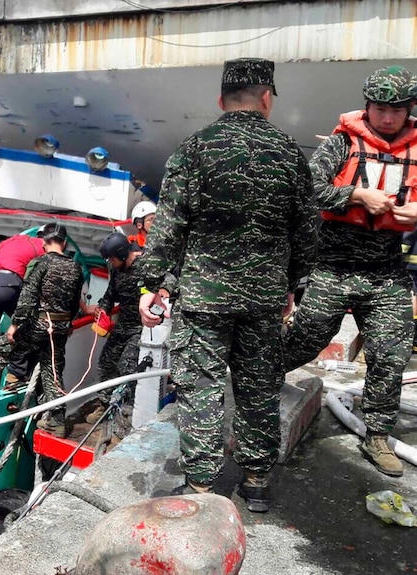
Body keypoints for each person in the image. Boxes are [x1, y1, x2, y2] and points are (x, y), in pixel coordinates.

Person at [138, 58, 316, 512]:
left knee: (201, 387)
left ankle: (200, 485)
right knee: (259, 386)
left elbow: (169, 226)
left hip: (203, 297)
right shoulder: (291, 155)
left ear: (221, 100)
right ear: (266, 98)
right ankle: (256, 482)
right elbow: (308, 231)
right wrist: (293, 285)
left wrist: (151, 285)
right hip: (263, 299)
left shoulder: (194, 149)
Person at [283, 65, 417, 478]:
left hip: (386, 271)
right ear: (367, 107)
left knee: (391, 353)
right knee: (307, 338)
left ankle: (377, 434)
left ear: (410, 109)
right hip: (334, 265)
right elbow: (308, 188)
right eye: (380, 109)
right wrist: (357, 194)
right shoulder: (343, 143)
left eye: (397, 110)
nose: (388, 118)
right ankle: (258, 380)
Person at [0, 222, 86, 438]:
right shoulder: (76, 268)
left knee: (3, 348)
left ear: (44, 241)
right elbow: (74, 302)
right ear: (65, 243)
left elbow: (28, 297)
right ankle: (57, 421)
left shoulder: (40, 263)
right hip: (58, 328)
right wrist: (68, 324)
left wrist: (15, 325)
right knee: (53, 372)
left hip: (39, 323)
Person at [80, 233, 148, 424]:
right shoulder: (117, 270)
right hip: (123, 325)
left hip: (141, 329)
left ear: (122, 253)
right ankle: (104, 405)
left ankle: (124, 414)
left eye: (111, 258)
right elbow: (111, 294)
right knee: (105, 363)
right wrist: (103, 309)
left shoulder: (146, 267)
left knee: (126, 367)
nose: (109, 262)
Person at [0, 232, 45, 385]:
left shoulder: (15, 239)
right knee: (23, 327)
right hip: (8, 282)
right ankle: (15, 375)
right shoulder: (43, 245)